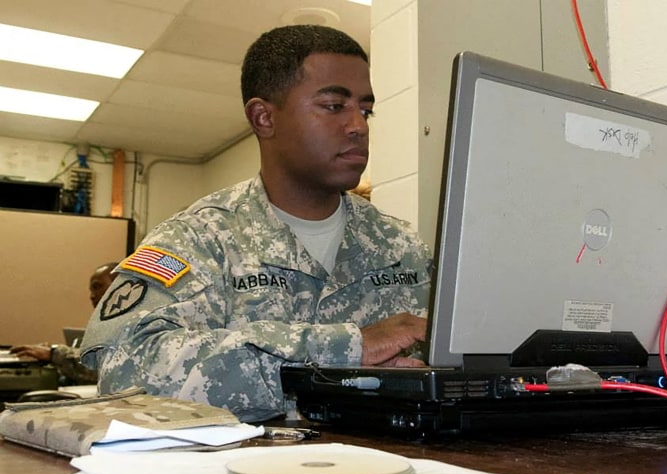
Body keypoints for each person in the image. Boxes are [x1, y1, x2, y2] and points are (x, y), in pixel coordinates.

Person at [80, 25, 432, 423]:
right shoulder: (198, 239)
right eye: (334, 106)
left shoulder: (403, 247)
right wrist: (345, 348)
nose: (358, 126)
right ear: (264, 117)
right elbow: (123, 371)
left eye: (365, 110)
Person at [10, 262, 118, 385]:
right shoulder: (107, 323)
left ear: (120, 286)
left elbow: (103, 368)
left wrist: (53, 353)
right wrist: (52, 352)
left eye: (98, 287)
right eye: (91, 289)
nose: (92, 296)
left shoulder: (133, 325)